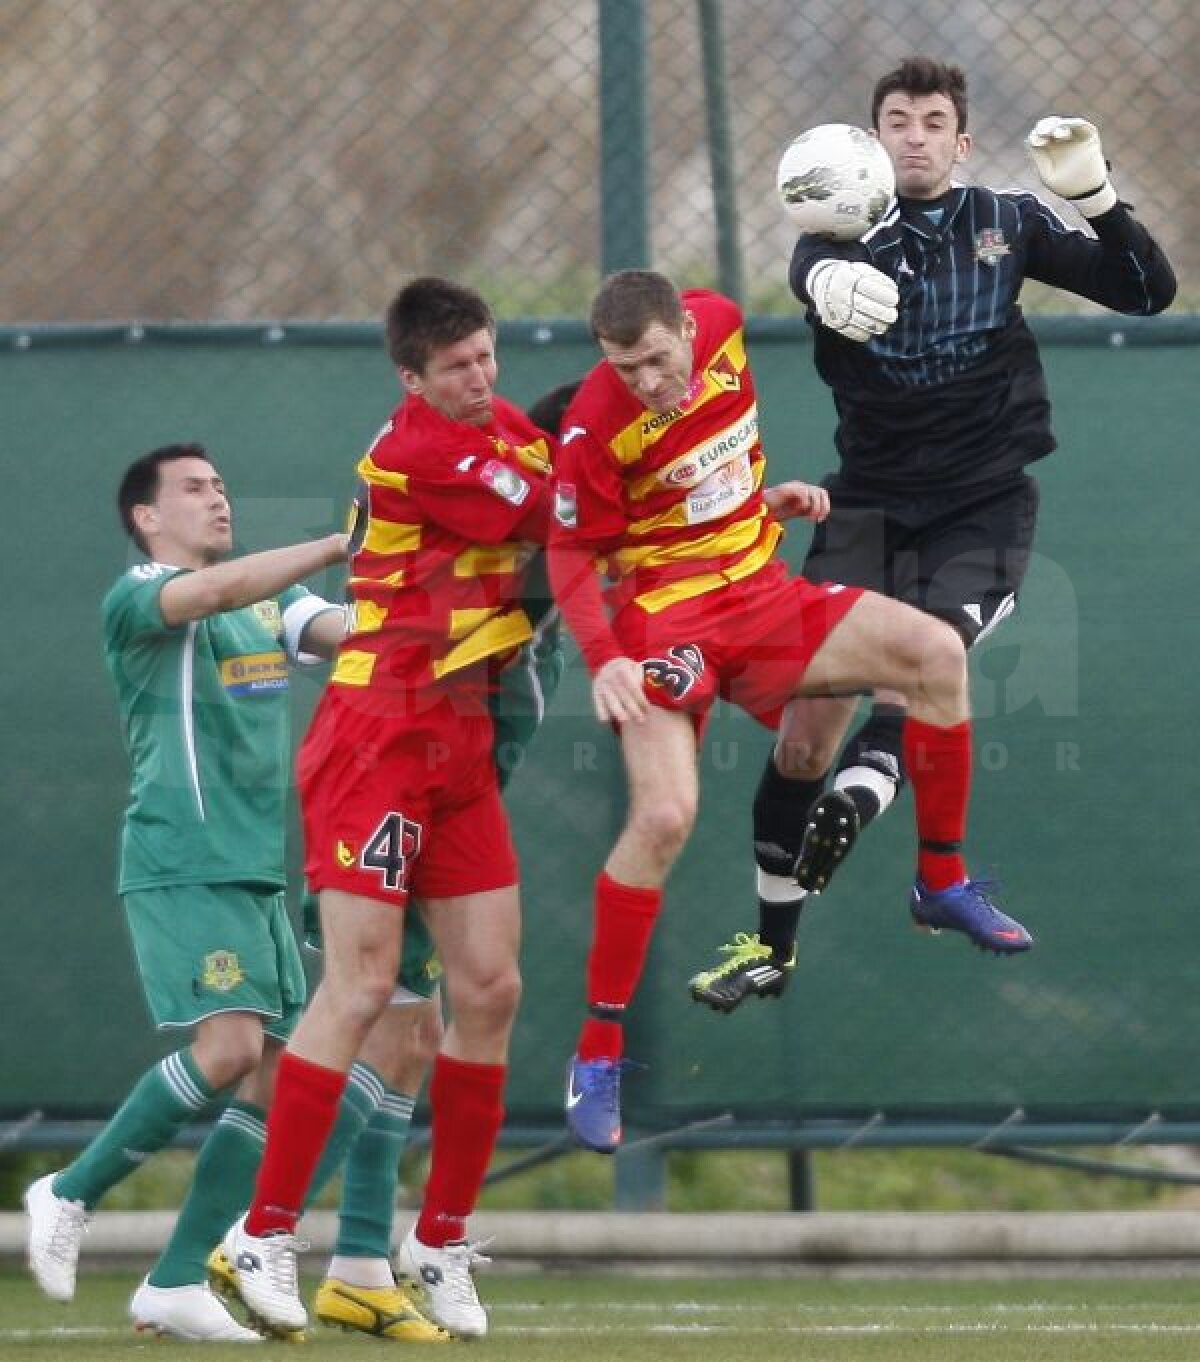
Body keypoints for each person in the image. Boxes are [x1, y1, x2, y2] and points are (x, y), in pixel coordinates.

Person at [687, 55, 1177, 1013]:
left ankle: (914, 848)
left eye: (932, 120)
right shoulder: (833, 240)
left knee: (932, 656)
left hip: (980, 504)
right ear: (872, 144)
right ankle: (770, 944)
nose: (913, 134)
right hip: (865, 507)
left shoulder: (1007, 222)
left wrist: (1097, 197)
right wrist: (825, 274)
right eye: (895, 120)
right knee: (799, 743)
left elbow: (1146, 292)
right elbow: (811, 264)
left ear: (961, 141)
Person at [547, 267, 1026, 1154]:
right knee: (663, 815)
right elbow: (572, 551)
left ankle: (941, 881)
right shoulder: (593, 423)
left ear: (688, 329)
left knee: (936, 656)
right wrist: (605, 658)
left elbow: (698, 480)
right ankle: (599, 1050)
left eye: (655, 359)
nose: (645, 382)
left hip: (761, 594)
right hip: (664, 618)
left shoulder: (726, 323)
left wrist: (765, 501)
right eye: (624, 367)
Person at [220, 277, 557, 1342]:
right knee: (362, 984)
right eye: (458, 365)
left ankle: (439, 1239)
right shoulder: (419, 452)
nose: (482, 376)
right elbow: (564, 519)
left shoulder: (506, 430)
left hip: (459, 738)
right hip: (379, 737)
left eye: (489, 357)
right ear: (411, 377)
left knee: (491, 987)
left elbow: (571, 482)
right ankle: (261, 1235)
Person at [22, 444, 348, 1341]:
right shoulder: (139, 597)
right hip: (182, 858)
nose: (218, 498)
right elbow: (211, 594)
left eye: (221, 486)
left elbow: (352, 635)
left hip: (256, 871)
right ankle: (69, 1189)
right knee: (234, 1048)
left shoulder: (273, 600)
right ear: (147, 517)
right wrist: (332, 541)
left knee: (280, 1077)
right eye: (194, 489)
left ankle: (173, 1281)